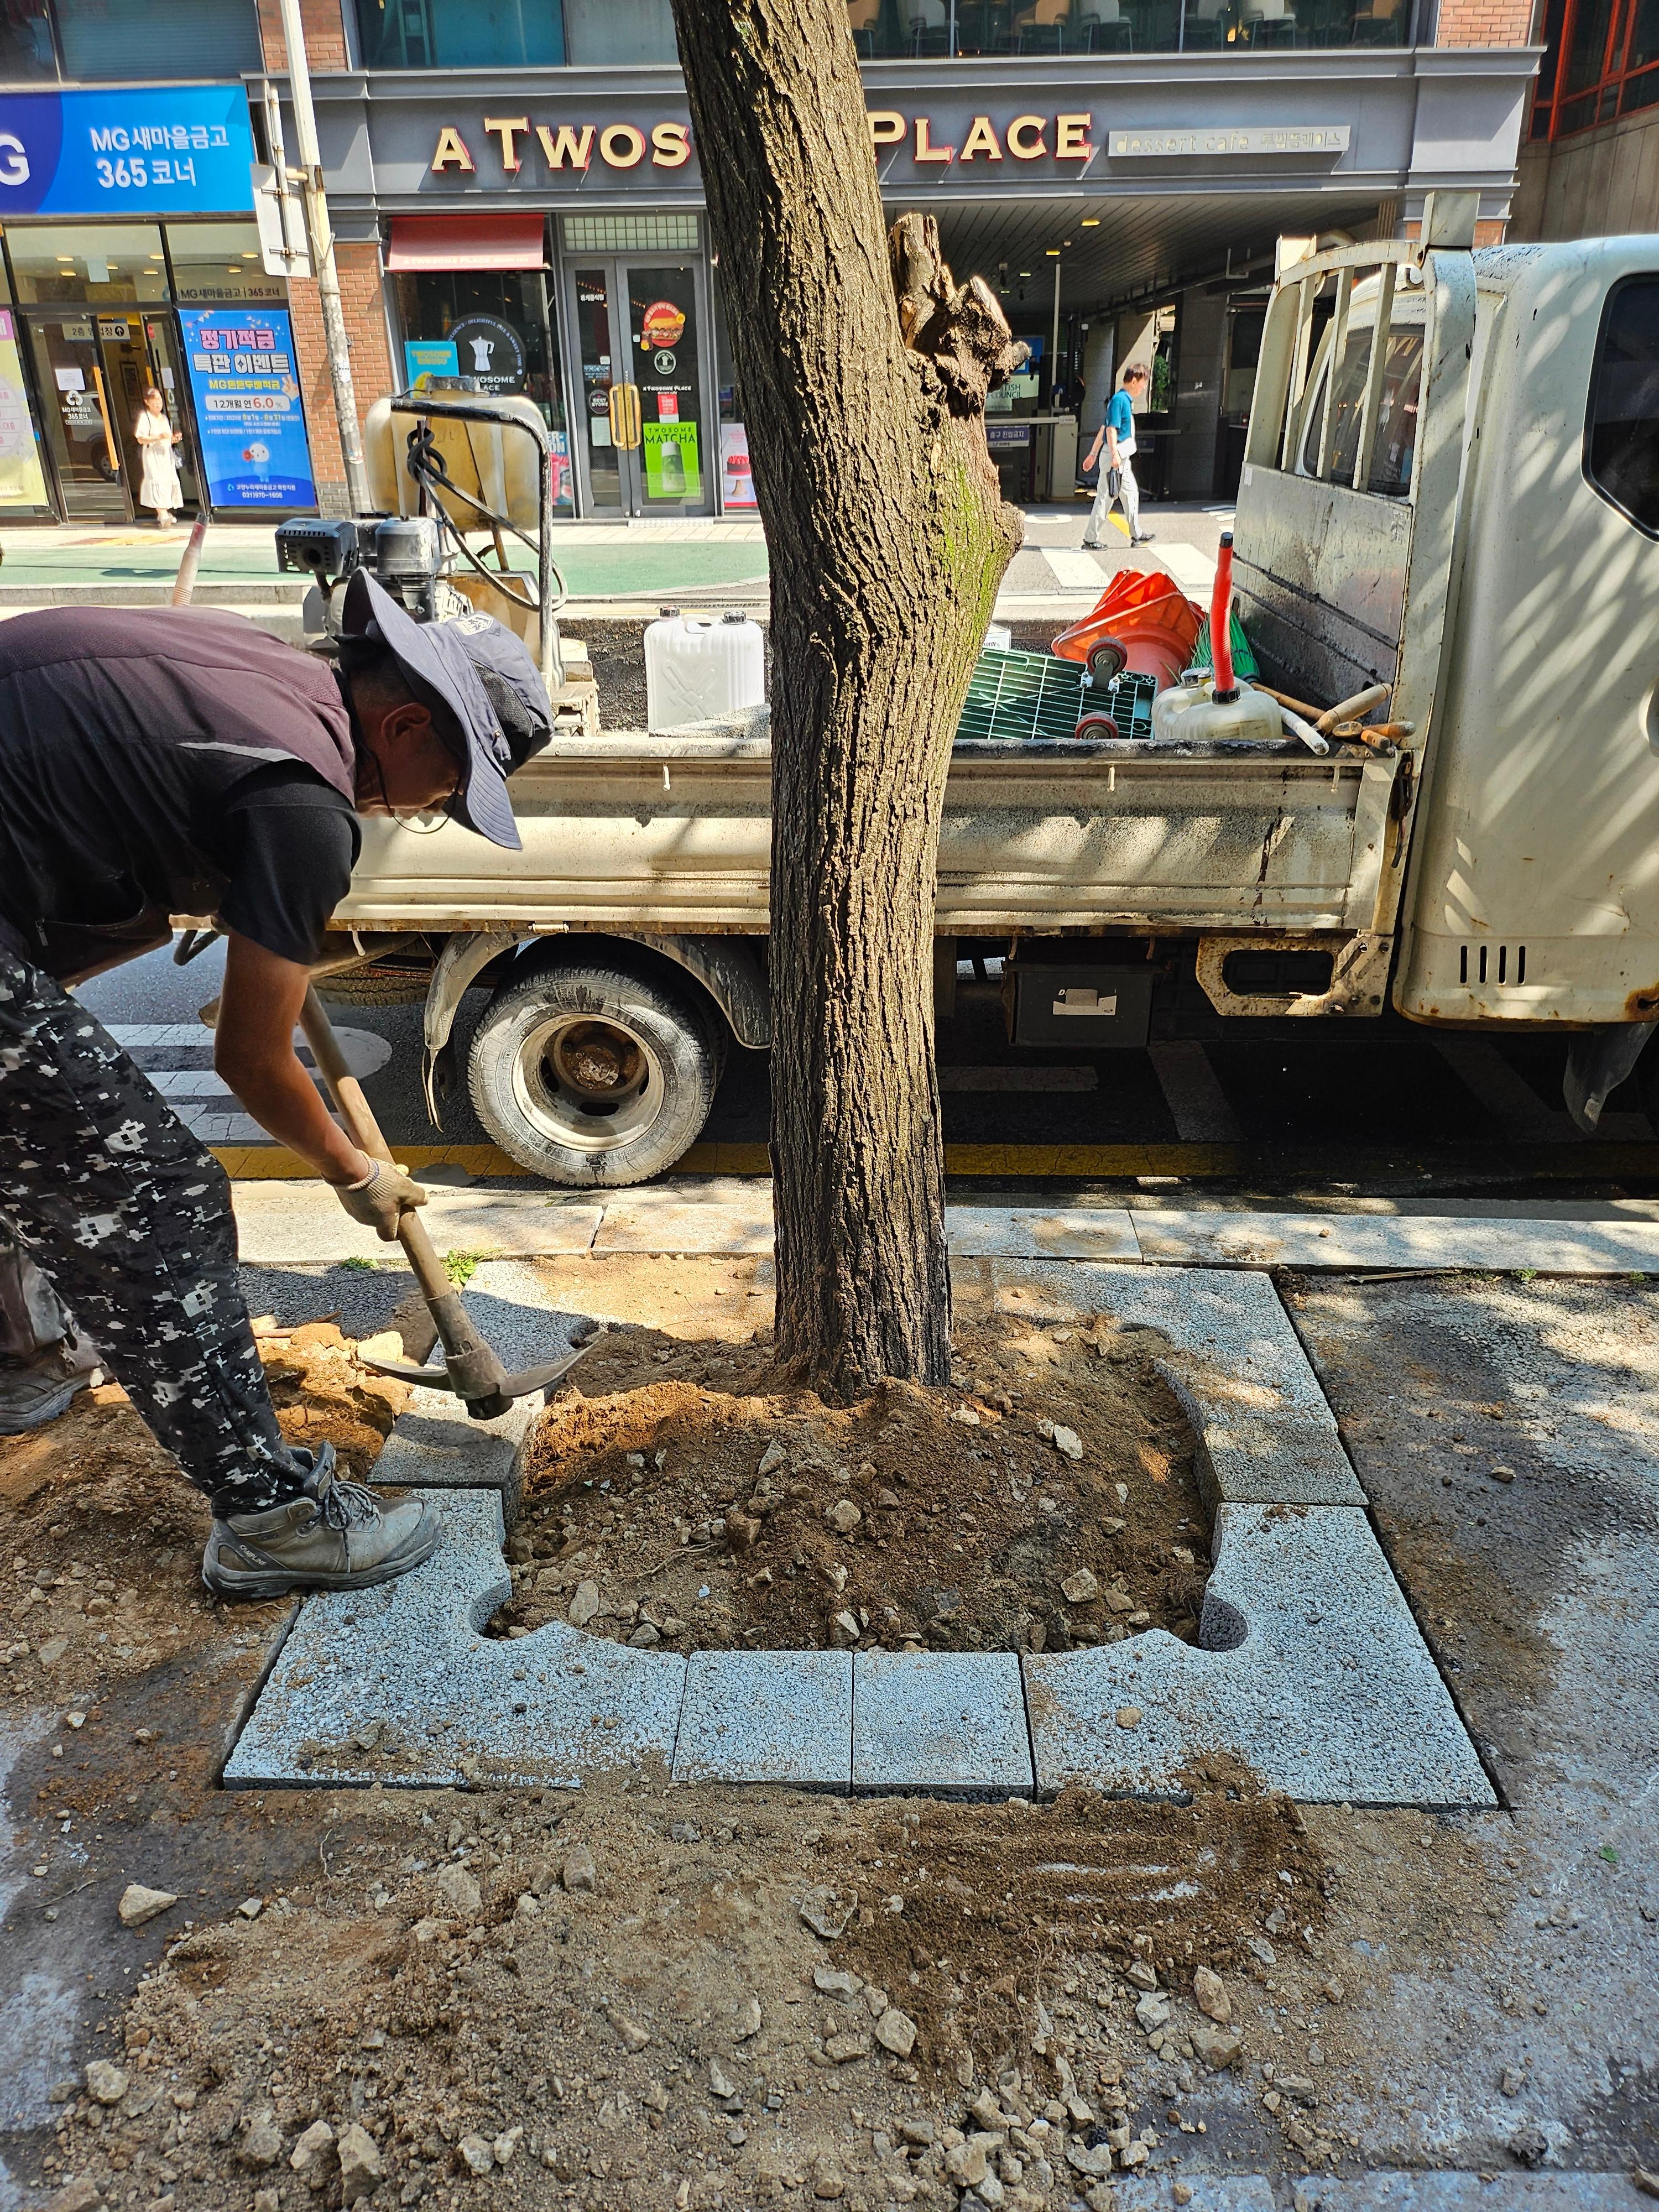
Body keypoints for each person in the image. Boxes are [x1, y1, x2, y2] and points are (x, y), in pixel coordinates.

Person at [0, 576, 552, 1597]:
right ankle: (273, 1520)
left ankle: (21, 1365)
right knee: (155, 1194)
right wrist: (354, 1172)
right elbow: (251, 1060)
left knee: (32, 1133)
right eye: (445, 789)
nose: (429, 810)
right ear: (403, 724)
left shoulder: (269, 685)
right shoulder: (302, 802)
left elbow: (97, 880)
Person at [1082, 364, 1155, 549]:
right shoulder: (1119, 400)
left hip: (1120, 458)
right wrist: (1114, 454)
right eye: (1143, 383)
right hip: (1115, 457)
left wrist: (1093, 454)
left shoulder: (1122, 400)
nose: (1143, 388)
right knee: (1105, 497)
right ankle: (1090, 539)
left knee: (1131, 494)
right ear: (1134, 381)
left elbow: (1105, 428)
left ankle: (1137, 534)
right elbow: (1110, 429)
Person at [134, 386, 184, 529]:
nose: (158, 402)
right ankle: (163, 514)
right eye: (154, 399)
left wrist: (174, 439)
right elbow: (141, 439)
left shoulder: (165, 418)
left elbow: (167, 439)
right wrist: (158, 437)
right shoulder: (145, 417)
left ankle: (164, 513)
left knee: (167, 482)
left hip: (166, 455)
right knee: (156, 481)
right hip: (153, 455)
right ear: (147, 402)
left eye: (159, 399)